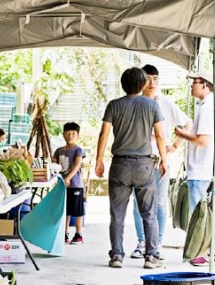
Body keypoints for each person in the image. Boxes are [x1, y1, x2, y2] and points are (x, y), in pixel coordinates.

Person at [95, 66, 167, 269]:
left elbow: (104, 134)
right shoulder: (152, 105)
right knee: (149, 213)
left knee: (117, 214)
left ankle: (117, 256)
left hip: (119, 164)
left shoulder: (114, 105)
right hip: (144, 165)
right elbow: (160, 135)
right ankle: (151, 256)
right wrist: (164, 160)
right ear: (143, 84)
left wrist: (99, 160)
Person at [129, 64, 194, 259]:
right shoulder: (133, 103)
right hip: (138, 160)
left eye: (155, 79)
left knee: (159, 202)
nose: (152, 83)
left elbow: (187, 123)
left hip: (161, 160)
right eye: (148, 79)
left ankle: (156, 243)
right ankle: (142, 242)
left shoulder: (165, 103)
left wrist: (175, 146)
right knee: (138, 203)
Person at [174, 70, 215, 266]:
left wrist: (182, 134)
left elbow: (203, 140)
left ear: (205, 85)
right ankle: (208, 250)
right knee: (206, 214)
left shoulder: (206, 108)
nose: (192, 85)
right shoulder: (212, 106)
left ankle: (200, 252)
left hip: (201, 168)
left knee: (198, 215)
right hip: (207, 169)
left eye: (195, 82)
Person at [52, 122, 86, 244]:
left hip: (75, 185)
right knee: (64, 210)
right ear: (63, 135)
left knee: (77, 211)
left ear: (78, 136)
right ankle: (64, 233)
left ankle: (78, 234)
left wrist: (68, 178)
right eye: (68, 133)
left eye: (73, 133)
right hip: (62, 185)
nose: (70, 136)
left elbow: (77, 165)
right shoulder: (58, 151)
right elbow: (54, 165)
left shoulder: (78, 150)